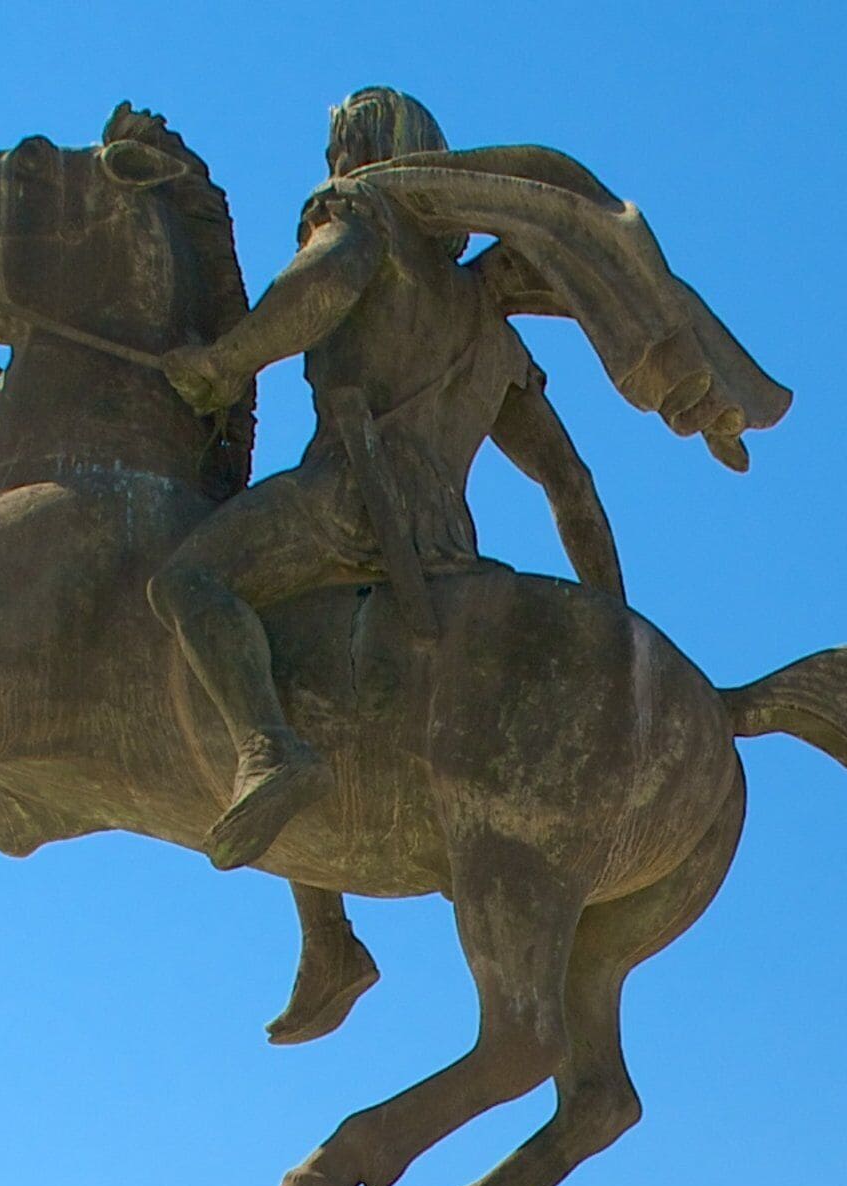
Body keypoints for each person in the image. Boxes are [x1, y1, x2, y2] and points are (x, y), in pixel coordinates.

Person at [150, 86, 627, 872]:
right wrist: (613, 623)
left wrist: (224, 362)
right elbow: (569, 484)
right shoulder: (492, 330)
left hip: (345, 501)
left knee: (188, 583)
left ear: (370, 151)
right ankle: (322, 921)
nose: (334, 165)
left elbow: (322, 284)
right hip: (445, 545)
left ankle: (268, 749)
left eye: (341, 148)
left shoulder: (363, 213)